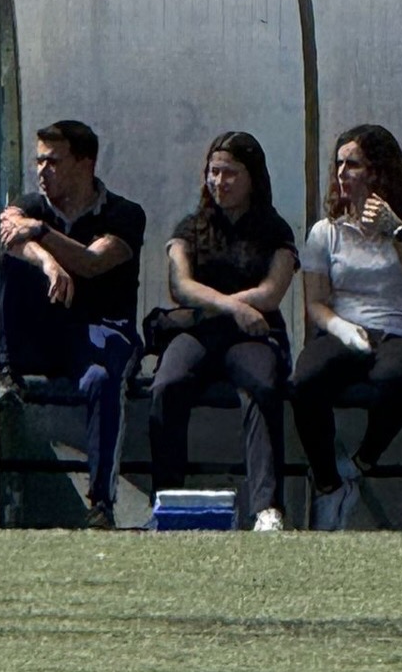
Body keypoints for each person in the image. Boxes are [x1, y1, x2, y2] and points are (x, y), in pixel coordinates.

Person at [292, 124, 402, 530]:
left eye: (353, 164)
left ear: (379, 170)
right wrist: (342, 329)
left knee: (394, 377)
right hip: (346, 325)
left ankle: (361, 462)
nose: (342, 173)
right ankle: (329, 483)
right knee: (304, 381)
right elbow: (315, 302)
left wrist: (397, 231)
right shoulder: (327, 231)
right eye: (339, 164)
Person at [0, 120, 147, 530]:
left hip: (101, 332)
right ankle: (6, 373)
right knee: (13, 262)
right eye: (39, 161)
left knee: (102, 380)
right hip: (45, 335)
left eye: (54, 162)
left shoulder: (124, 214)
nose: (42, 171)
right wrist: (47, 260)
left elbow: (93, 262)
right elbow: (9, 232)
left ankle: (101, 504)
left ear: (85, 165)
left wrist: (41, 232)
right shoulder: (32, 207)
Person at [148, 132, 298, 532]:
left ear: (253, 177)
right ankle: (165, 498)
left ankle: (267, 506)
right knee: (167, 384)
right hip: (200, 331)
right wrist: (233, 307)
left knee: (263, 386)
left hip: (253, 335)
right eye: (213, 172)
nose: (219, 182)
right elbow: (181, 287)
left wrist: (238, 309)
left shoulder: (275, 230)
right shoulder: (191, 227)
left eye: (230, 173)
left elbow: (272, 291)